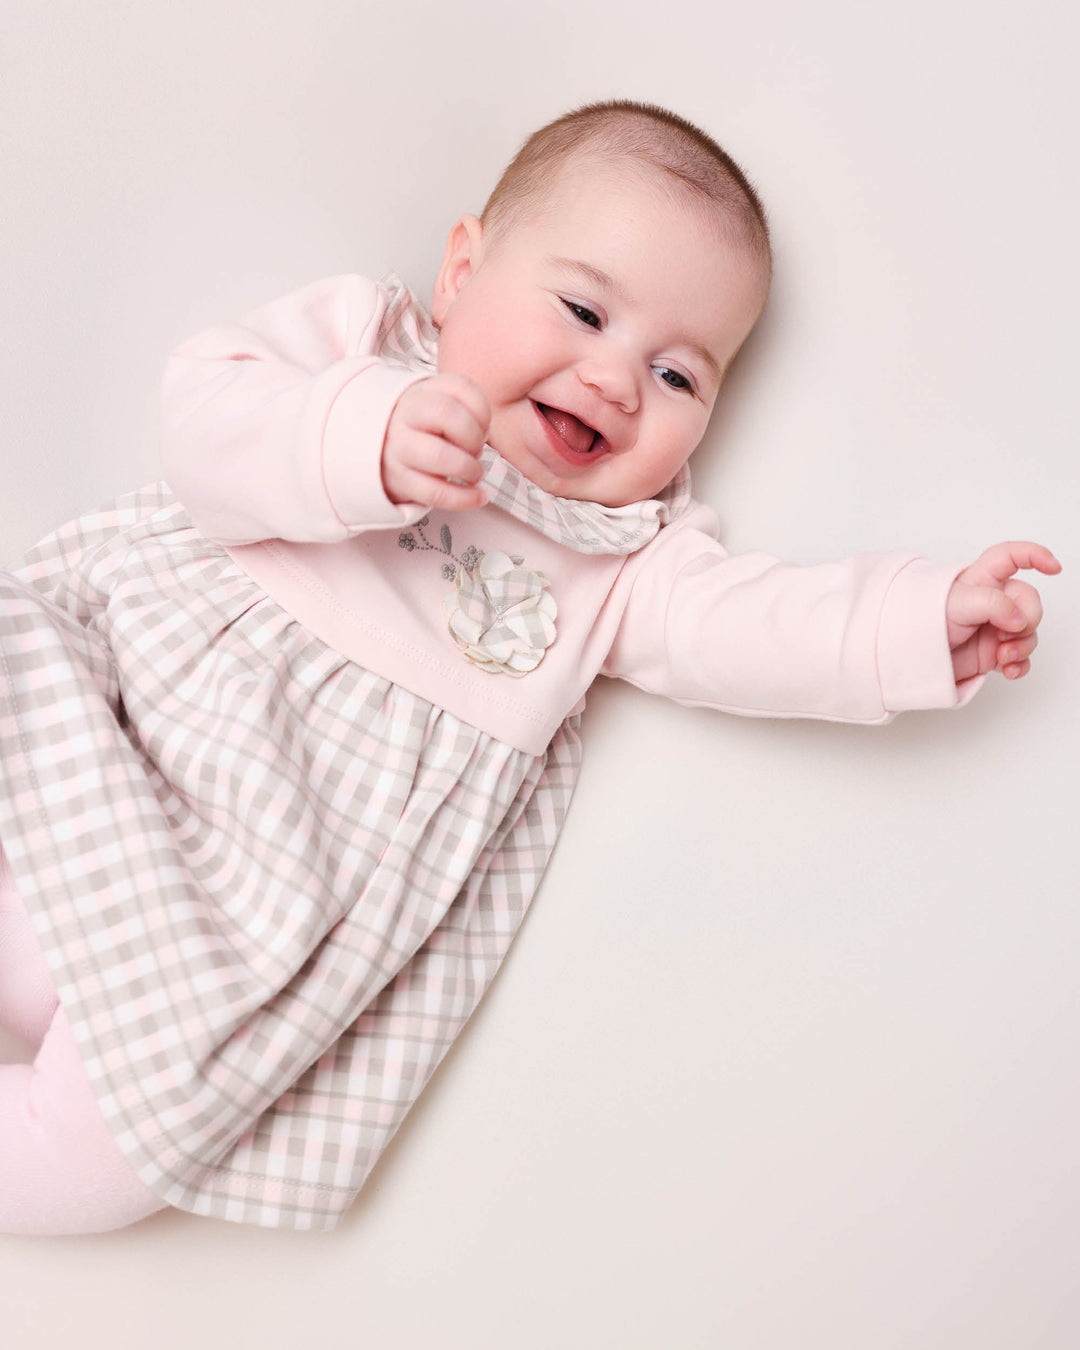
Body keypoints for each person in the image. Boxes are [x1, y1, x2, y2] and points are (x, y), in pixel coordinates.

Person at [0, 100, 1058, 1235]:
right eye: (584, 309)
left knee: (102, 1159)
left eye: (677, 376)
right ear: (462, 271)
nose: (613, 379)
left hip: (253, 916)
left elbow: (754, 626)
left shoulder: (625, 556)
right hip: (110, 717)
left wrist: (913, 622)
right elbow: (205, 416)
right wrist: (360, 436)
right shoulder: (366, 349)